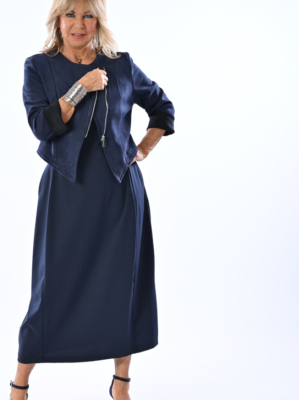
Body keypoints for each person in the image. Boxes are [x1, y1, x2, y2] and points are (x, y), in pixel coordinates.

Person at [9, 0, 175, 399]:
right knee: (51, 287)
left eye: (88, 15)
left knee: (121, 286)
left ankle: (121, 383)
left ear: (98, 21)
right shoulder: (39, 66)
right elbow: (42, 126)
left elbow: (162, 108)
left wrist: (143, 148)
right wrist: (81, 87)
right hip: (66, 191)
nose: (79, 23)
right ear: (57, 21)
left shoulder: (121, 65)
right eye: (70, 14)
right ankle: (19, 384)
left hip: (119, 190)